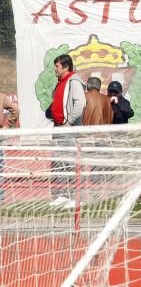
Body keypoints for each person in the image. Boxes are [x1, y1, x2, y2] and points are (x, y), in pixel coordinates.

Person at [48, 54, 85, 209]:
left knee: (70, 162)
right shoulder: (60, 83)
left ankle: (74, 197)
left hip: (67, 128)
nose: (55, 69)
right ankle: (62, 195)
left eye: (57, 66)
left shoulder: (73, 82)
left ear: (66, 67)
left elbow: (80, 103)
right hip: (58, 127)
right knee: (59, 163)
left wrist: (68, 122)